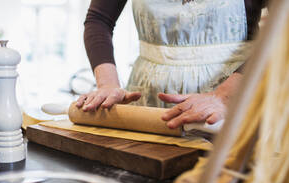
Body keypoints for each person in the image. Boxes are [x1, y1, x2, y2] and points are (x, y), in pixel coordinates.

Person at [77, 0, 268, 129]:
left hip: (236, 96)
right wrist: (107, 84)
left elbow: (283, 35)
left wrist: (224, 96)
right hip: (148, 99)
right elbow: (99, 20)